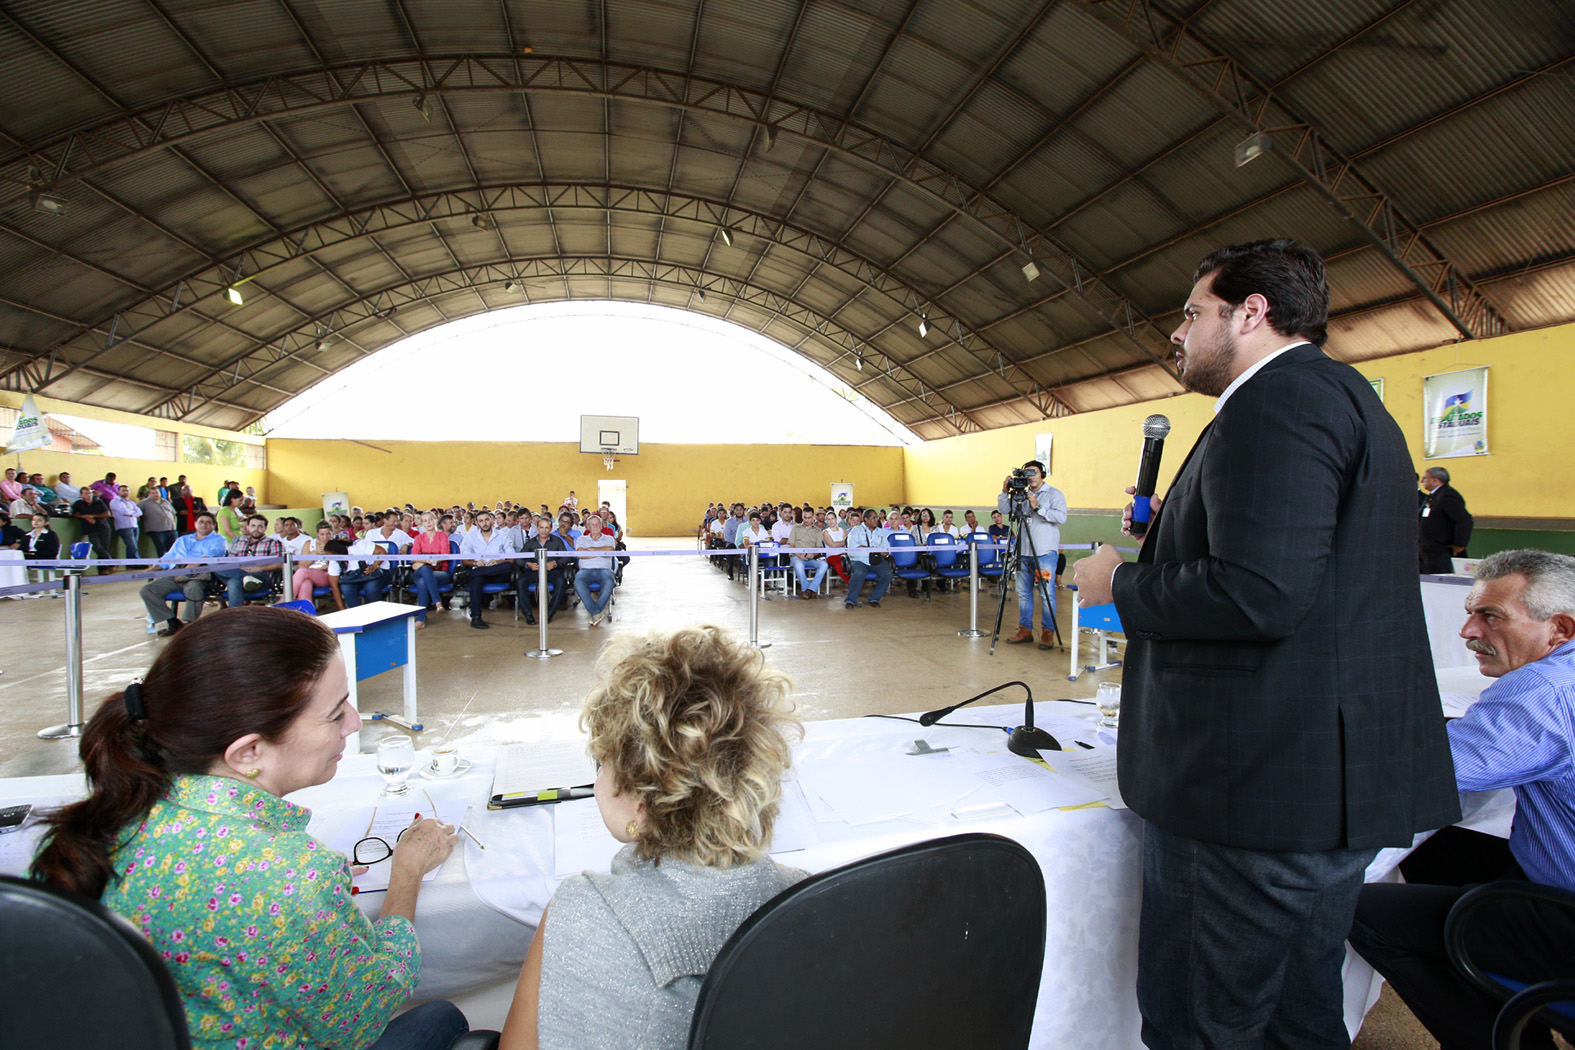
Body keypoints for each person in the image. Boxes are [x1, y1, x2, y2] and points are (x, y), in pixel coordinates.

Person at [1071, 238, 1459, 1050]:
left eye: (1191, 312)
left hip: (1252, 793)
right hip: (1311, 783)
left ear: (1251, 313)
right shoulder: (1341, 399)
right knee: (1295, 1014)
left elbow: (1259, 591)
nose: (1175, 333)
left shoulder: (1276, 403)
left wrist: (1119, 586)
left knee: (1203, 1023)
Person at [29, 606, 470, 1050]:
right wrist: (407, 873)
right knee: (443, 1016)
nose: (354, 723)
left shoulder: (120, 812)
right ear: (248, 753)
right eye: (336, 714)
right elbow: (365, 1015)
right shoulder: (288, 876)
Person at [499, 625, 806, 1050]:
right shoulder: (803, 894)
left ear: (641, 803)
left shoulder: (584, 910)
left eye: (602, 764)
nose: (598, 779)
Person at [1349, 549, 1575, 1050]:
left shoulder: (1543, 691)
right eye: (1472, 611)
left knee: (1361, 909)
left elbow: (1408, 775)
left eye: (1490, 616)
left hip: (1564, 915)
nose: (1468, 631)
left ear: (1560, 628)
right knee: (1437, 842)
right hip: (1547, 871)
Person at [997, 460, 1066, 649]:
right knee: (1024, 593)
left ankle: (1047, 632)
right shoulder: (1021, 495)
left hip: (1044, 553)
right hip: (1023, 552)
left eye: (1034, 472)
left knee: (1046, 593)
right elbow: (1004, 510)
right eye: (1027, 473)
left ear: (1042, 474)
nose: (1030, 476)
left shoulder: (1054, 494)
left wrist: (1038, 507)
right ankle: (1025, 629)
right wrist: (1005, 492)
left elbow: (1061, 517)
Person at [139, 511, 230, 635]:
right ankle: (172, 622)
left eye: (208, 523)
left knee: (193, 588)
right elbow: (169, 556)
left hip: (199, 576)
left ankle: (189, 625)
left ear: (214, 525)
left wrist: (198, 562)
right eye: (201, 522)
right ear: (195, 524)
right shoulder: (183, 540)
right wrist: (155, 568)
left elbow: (217, 552)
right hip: (177, 573)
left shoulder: (219, 539)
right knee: (147, 590)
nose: (204, 525)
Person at [460, 509, 516, 629]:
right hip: (481, 573)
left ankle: (472, 574)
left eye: (486, 519)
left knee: (506, 566)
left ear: (491, 520)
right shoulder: (471, 537)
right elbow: (464, 560)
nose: (484, 523)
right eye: (481, 521)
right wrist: (475, 562)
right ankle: (476, 618)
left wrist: (498, 561)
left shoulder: (502, 536)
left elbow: (511, 559)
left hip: (498, 573)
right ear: (477, 523)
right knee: (477, 579)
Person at [217, 513, 285, 607]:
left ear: (265, 528)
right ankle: (244, 578)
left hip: (261, 578)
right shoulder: (238, 541)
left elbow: (280, 564)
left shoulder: (274, 543)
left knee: (233, 582)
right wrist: (241, 569)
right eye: (253, 526)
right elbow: (230, 560)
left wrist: (259, 568)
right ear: (248, 527)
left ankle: (234, 618)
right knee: (214, 564)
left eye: (260, 526)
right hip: (238, 571)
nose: (256, 529)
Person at [1418, 466, 1474, 573]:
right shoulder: (1433, 496)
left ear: (1435, 480)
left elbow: (1464, 520)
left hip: (1439, 550)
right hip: (1426, 549)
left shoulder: (1447, 495)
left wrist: (1460, 544)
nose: (1422, 481)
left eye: (1425, 478)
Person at [408, 511, 453, 629]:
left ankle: (421, 619)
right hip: (421, 572)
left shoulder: (443, 536)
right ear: (421, 524)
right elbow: (414, 557)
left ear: (435, 520)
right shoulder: (418, 538)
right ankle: (437, 602)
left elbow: (444, 555)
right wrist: (426, 561)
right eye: (424, 521)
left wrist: (423, 561)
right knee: (425, 570)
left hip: (441, 572)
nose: (428, 523)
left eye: (430, 519)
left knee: (423, 579)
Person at [521, 515, 568, 625]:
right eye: (541, 527)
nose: (544, 530)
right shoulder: (531, 542)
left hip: (551, 571)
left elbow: (566, 557)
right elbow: (519, 558)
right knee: (520, 582)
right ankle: (528, 614)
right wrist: (528, 564)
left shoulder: (557, 541)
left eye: (547, 528)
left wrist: (555, 563)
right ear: (537, 528)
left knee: (561, 582)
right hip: (534, 570)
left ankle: (550, 613)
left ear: (551, 529)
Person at [573, 514, 619, 627]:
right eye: (592, 524)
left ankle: (595, 613)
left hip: (604, 569)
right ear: (588, 527)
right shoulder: (581, 539)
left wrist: (591, 550)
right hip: (585, 570)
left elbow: (610, 550)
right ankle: (596, 612)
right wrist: (600, 552)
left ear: (601, 525)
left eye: (597, 524)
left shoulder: (609, 538)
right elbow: (581, 554)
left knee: (609, 582)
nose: (595, 526)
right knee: (578, 582)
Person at [844, 507, 894, 608]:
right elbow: (853, 548)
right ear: (866, 519)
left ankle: (874, 598)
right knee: (859, 573)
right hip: (860, 560)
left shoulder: (881, 532)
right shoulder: (856, 531)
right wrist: (875, 549)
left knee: (888, 574)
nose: (877, 520)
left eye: (877, 518)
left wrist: (886, 552)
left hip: (876, 560)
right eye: (874, 518)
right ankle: (851, 600)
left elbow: (886, 546)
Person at [292, 521, 345, 609]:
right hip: (308, 574)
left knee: (303, 572)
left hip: (327, 575)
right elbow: (301, 565)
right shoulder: (309, 544)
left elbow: (338, 565)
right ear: (317, 534)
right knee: (305, 583)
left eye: (328, 534)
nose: (325, 537)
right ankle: (306, 613)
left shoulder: (336, 544)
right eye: (322, 534)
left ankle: (287, 599)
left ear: (332, 533)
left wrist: (319, 568)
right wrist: (315, 553)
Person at [788, 507, 827, 599]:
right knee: (798, 565)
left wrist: (813, 554)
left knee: (824, 565)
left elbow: (818, 548)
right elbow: (791, 545)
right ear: (802, 517)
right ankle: (806, 589)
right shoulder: (795, 528)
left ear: (813, 517)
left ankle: (810, 590)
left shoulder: (818, 531)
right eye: (805, 517)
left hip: (811, 557)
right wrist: (799, 555)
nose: (806, 520)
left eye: (809, 518)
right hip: (797, 556)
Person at [72, 484, 114, 565]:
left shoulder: (99, 502)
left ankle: (104, 569)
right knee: (97, 547)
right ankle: (111, 562)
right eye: (86, 493)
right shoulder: (78, 503)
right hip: (90, 528)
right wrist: (84, 516)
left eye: (90, 493)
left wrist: (93, 516)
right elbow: (72, 513)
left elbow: (107, 514)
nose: (88, 495)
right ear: (81, 495)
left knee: (105, 548)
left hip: (103, 527)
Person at [137, 485, 179, 559]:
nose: (155, 494)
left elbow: (173, 513)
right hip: (156, 530)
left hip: (171, 529)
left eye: (157, 492)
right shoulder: (144, 503)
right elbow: (135, 511)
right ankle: (164, 566)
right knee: (161, 549)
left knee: (173, 549)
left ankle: (173, 566)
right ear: (149, 494)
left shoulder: (166, 501)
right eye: (153, 493)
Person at [109, 483, 143, 561]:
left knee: (134, 545)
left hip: (134, 525)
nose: (125, 492)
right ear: (118, 492)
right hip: (124, 527)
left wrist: (132, 514)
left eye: (127, 491)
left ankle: (131, 563)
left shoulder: (131, 502)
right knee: (132, 546)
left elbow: (140, 512)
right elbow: (124, 511)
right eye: (123, 490)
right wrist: (134, 514)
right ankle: (136, 562)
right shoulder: (114, 502)